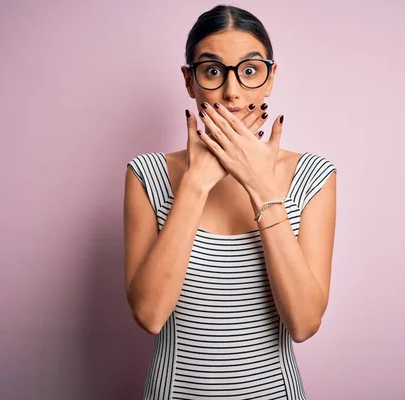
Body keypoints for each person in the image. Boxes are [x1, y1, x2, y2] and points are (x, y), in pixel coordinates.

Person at [123, 5, 337, 399]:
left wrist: (261, 188)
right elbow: (150, 316)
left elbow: (304, 324)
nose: (232, 91)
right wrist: (194, 185)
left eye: (250, 71)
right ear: (190, 81)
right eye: (212, 71)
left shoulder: (314, 176)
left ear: (271, 79)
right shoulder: (146, 174)